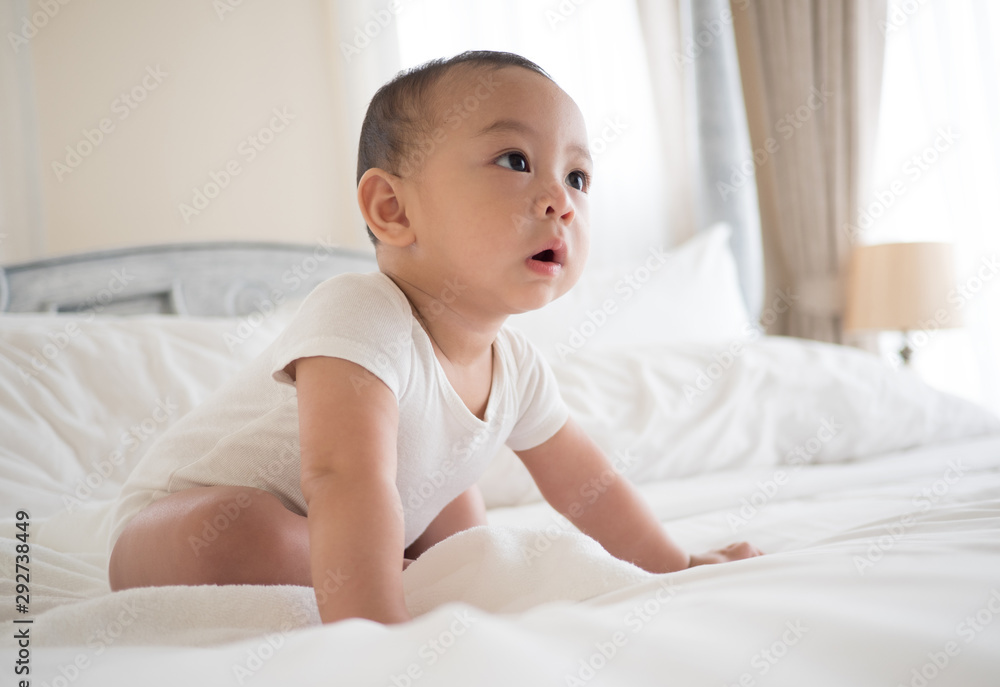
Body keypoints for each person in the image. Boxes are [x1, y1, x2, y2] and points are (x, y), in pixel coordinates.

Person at [107, 50, 762, 625]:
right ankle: (380, 573)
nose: (560, 201)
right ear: (393, 210)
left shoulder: (518, 366)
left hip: (361, 514)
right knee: (251, 534)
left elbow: (589, 486)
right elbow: (341, 477)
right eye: (516, 160)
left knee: (460, 518)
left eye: (578, 178)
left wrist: (675, 564)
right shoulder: (358, 312)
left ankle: (389, 556)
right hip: (177, 523)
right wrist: (377, 625)